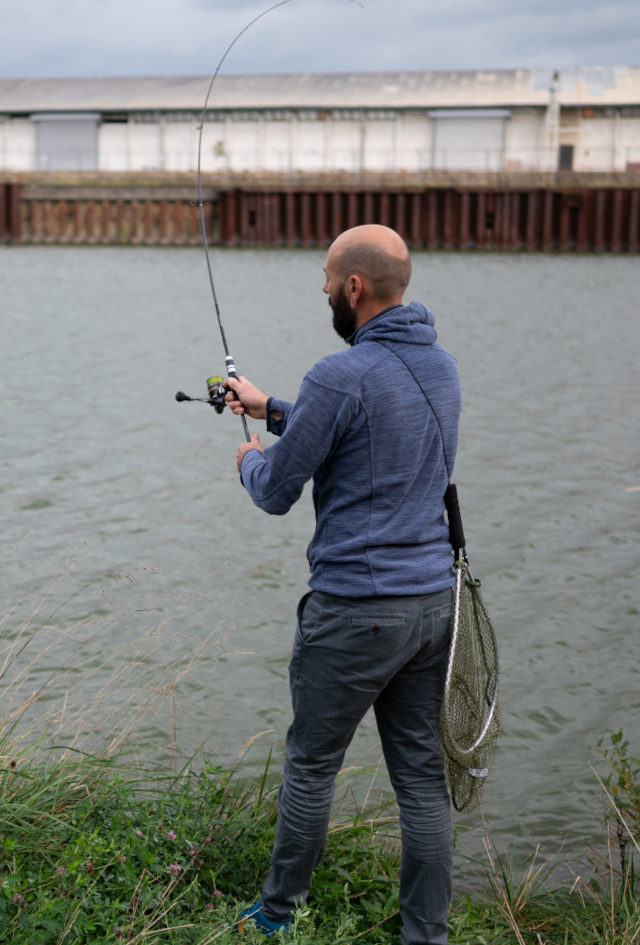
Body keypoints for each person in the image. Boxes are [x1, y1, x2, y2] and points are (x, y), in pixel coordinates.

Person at [225, 224, 461, 944]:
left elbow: (274, 490)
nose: (323, 289)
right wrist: (271, 406)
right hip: (430, 606)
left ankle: (275, 915)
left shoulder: (339, 372)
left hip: (355, 611)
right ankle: (426, 934)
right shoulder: (442, 366)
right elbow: (367, 432)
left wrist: (247, 456)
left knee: (310, 765)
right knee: (421, 781)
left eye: (327, 278)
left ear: (353, 287)